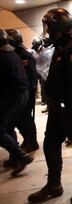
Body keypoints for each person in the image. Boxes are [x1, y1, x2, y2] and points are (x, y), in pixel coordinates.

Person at [28, 8, 72, 203]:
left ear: (58, 26)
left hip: (70, 109)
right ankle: (54, 184)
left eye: (49, 25)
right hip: (57, 109)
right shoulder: (59, 46)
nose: (47, 29)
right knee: (50, 144)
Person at [0, 29, 33, 177]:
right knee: (9, 126)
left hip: (11, 96)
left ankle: (20, 155)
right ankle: (15, 158)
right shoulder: (12, 53)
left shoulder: (1, 56)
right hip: (20, 94)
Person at [6, 29, 39, 152]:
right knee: (19, 119)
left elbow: (32, 75)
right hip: (19, 92)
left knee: (26, 118)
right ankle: (27, 139)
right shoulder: (15, 54)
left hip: (26, 91)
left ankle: (32, 141)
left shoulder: (25, 55)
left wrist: (30, 91)